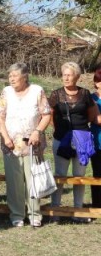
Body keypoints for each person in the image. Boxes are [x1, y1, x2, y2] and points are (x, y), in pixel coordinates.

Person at [0, 63, 51, 227]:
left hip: (32, 144)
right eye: (9, 75)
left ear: (25, 76)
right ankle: (17, 215)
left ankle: (34, 214)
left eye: (15, 75)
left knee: (33, 179)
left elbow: (46, 115)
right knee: (14, 182)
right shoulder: (6, 92)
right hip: (11, 144)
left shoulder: (37, 91)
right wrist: (5, 137)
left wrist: (37, 131)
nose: (11, 78)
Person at [49, 61, 98, 223]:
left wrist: (79, 129)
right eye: (64, 74)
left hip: (82, 139)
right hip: (61, 138)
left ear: (77, 76)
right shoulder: (55, 94)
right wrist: (63, 131)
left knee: (80, 176)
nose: (66, 77)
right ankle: (55, 210)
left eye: (69, 75)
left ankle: (78, 210)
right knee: (60, 175)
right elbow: (49, 116)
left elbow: (92, 116)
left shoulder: (85, 94)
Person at [90, 71, 101, 208]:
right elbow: (97, 119)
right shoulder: (91, 98)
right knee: (97, 174)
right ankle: (97, 205)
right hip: (97, 142)